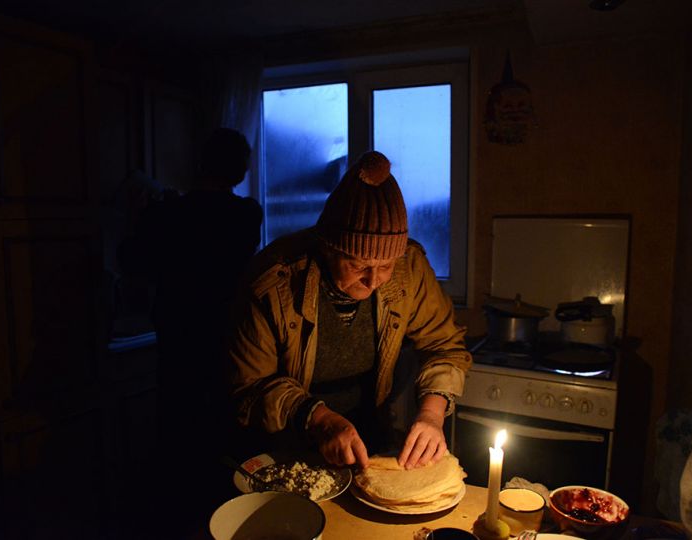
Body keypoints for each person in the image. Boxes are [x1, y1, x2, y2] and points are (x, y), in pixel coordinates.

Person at [227, 151, 470, 471]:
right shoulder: (274, 283)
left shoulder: (408, 269)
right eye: (358, 265)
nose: (373, 280)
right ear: (329, 248)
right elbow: (248, 386)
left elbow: (445, 346)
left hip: (370, 438)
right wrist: (317, 417)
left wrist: (431, 414)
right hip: (285, 447)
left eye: (385, 265)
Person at [117, 127, 262, 534]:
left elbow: (131, 263)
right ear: (239, 171)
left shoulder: (168, 214)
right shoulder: (248, 214)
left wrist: (144, 213)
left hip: (179, 342)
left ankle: (182, 523)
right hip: (231, 344)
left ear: (200, 163)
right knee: (225, 446)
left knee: (178, 444)